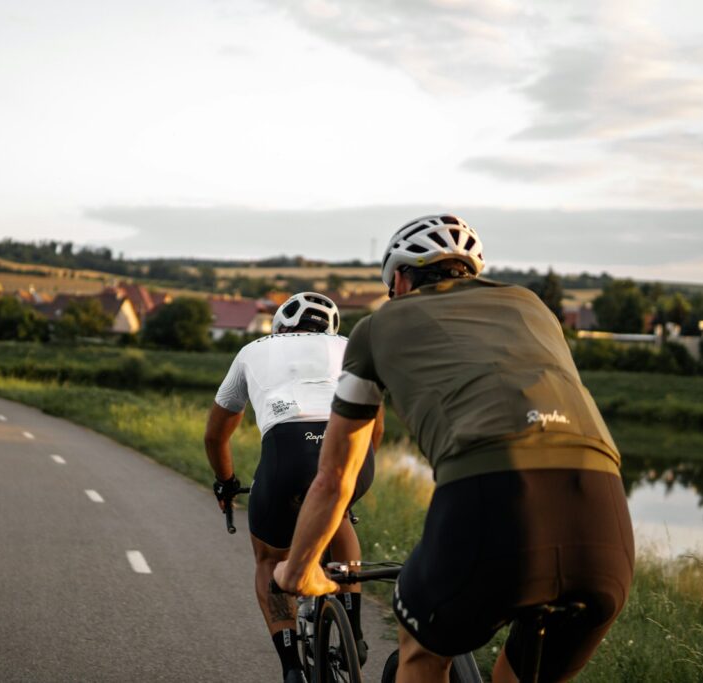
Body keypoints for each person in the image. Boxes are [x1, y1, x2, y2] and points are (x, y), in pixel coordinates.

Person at [273, 215, 634, 683]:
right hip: (605, 521)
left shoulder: (378, 326)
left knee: (422, 651)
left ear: (402, 280)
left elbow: (335, 477)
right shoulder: (533, 307)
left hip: (492, 502)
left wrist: (299, 569)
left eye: (391, 288)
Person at [205, 291, 383, 683]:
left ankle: (290, 667)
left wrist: (226, 483)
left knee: (270, 561)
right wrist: (353, 479)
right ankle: (353, 630)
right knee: (337, 513)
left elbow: (216, 436)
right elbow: (376, 424)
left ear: (280, 326)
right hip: (354, 449)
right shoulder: (351, 345)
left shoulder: (254, 350)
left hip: (287, 452)